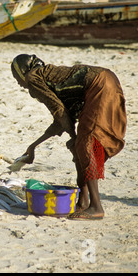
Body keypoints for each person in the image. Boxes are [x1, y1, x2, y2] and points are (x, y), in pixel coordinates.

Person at [11, 54, 126, 220]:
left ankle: (96, 206)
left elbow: (60, 112)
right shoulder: (45, 75)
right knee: (81, 145)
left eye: (16, 77)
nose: (19, 84)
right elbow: (61, 120)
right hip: (108, 81)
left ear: (22, 71)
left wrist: (74, 138)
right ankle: (83, 202)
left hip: (99, 85)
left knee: (85, 144)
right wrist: (33, 146)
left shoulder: (33, 77)